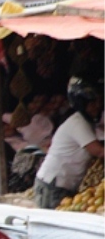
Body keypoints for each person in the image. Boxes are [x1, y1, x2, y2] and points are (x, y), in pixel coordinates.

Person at [34, 77, 104, 209]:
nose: (98, 105)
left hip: (63, 185)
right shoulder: (78, 123)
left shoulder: (87, 123)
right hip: (54, 186)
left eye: (99, 101)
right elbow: (99, 151)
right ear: (82, 103)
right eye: (93, 102)